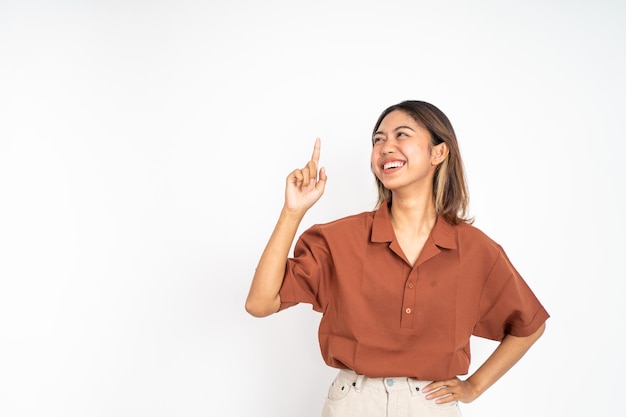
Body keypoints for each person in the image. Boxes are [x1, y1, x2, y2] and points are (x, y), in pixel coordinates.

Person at [245, 100, 549, 417]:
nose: (385, 147)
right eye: (378, 140)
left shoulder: (475, 249)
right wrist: (292, 212)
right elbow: (260, 303)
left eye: (401, 135)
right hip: (354, 403)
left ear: (438, 153)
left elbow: (529, 325)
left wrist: (474, 386)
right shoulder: (338, 239)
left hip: (432, 404)